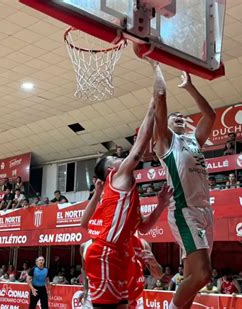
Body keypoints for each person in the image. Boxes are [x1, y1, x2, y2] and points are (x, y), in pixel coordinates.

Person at [80, 58, 169, 308]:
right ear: (110, 169)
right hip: (106, 252)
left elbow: (143, 227)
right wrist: (153, 102)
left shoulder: (127, 194)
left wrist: (161, 204)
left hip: (119, 252)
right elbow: (138, 151)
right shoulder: (118, 178)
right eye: (117, 158)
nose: (122, 158)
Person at [153, 71, 215, 309]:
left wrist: (190, 87)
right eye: (173, 116)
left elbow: (210, 115)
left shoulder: (194, 140)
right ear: (166, 126)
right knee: (203, 274)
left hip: (205, 212)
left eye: (181, 116)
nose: (178, 116)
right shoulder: (166, 143)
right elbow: (160, 110)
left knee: (193, 278)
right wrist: (160, 85)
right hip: (185, 211)